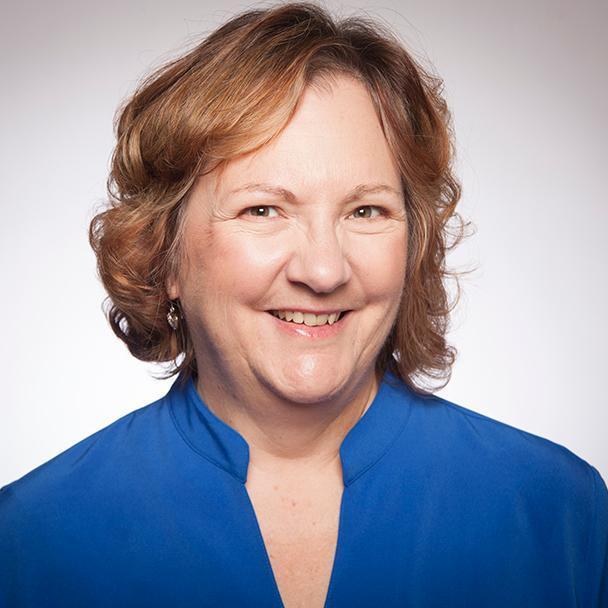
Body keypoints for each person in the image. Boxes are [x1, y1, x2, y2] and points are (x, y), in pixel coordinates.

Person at [0, 2, 606, 606]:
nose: (323, 270)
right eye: (263, 209)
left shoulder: (559, 511)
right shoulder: (30, 540)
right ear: (165, 252)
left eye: (365, 211)